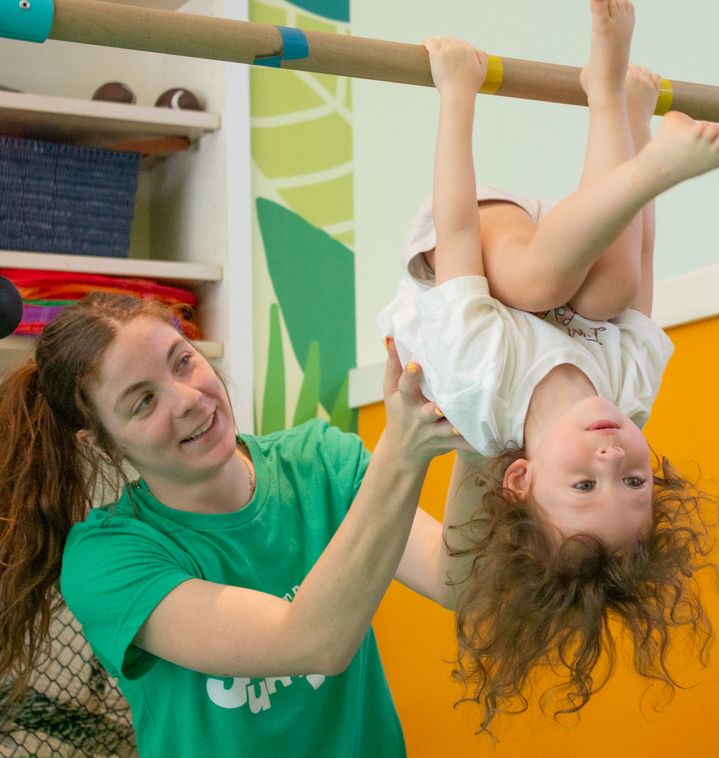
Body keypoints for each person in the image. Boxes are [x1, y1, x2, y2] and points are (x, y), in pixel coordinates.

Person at [377, 0, 719, 735]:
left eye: (586, 483)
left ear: (520, 478)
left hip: (464, 234)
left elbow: (455, 228)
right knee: (613, 295)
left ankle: (645, 161)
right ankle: (606, 88)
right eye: (635, 479)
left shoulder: (480, 385)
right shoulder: (628, 396)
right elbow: (638, 265)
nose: (614, 455)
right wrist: (636, 120)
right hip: (567, 235)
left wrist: (457, 94)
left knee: (537, 286)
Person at [0, 292, 476, 756]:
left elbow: (454, 578)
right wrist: (402, 450)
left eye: (182, 361)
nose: (187, 398)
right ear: (102, 440)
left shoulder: (321, 462)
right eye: (143, 402)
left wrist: (484, 424)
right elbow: (311, 642)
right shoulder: (107, 559)